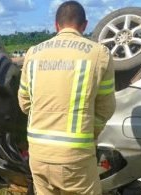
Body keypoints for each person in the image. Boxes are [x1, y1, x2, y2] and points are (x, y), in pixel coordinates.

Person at [18, 1, 116, 195]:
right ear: (84, 25)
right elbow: (106, 107)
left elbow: (24, 103)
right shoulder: (99, 54)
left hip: (38, 154)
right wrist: (90, 133)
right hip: (75, 156)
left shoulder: (33, 53)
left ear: (56, 25)